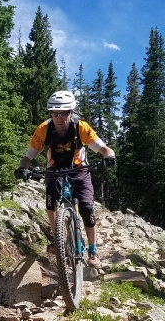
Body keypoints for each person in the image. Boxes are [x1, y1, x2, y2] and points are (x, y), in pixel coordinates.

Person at [14, 90, 115, 268]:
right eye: (55, 113)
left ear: (72, 112)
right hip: (55, 169)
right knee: (51, 202)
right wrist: (23, 168)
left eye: (64, 113)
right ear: (51, 113)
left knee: (86, 208)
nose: (59, 118)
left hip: (79, 168)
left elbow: (104, 149)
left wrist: (109, 157)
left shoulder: (80, 128)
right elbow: (28, 156)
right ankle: (58, 238)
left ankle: (92, 249)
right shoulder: (44, 129)